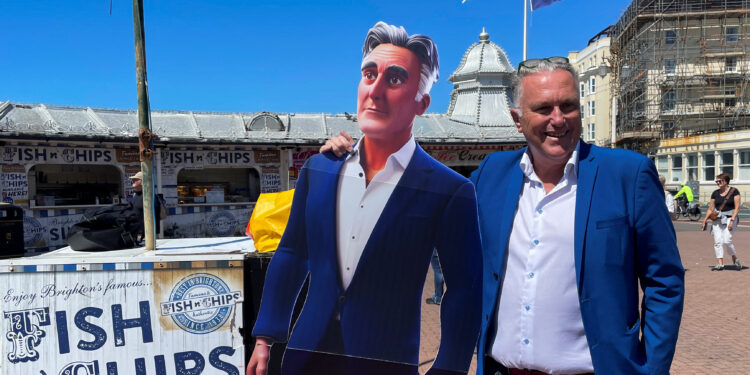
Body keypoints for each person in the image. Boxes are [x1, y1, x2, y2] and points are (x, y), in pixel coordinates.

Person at [325, 57, 686, 374]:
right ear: (517, 119)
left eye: (568, 106)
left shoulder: (628, 174)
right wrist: (354, 164)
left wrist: (652, 368)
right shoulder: (490, 175)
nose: (558, 120)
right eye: (544, 108)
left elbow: (665, 280)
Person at [247, 22, 482, 375]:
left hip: (385, 359)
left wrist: (448, 367)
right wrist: (266, 336)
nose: (375, 91)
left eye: (395, 79)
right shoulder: (320, 170)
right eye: (369, 75)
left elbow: (465, 289)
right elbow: (293, 253)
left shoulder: (449, 189)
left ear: (422, 103)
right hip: (306, 352)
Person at [701, 173, 742, 271]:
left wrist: (732, 220)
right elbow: (711, 209)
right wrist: (705, 220)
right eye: (716, 181)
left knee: (727, 240)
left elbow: (737, 208)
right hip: (717, 219)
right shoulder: (715, 193)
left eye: (720, 181)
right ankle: (720, 264)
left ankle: (734, 257)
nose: (717, 183)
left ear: (726, 181)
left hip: (729, 218)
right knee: (717, 242)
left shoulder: (734, 191)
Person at [128, 171, 164, 240]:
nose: (133, 180)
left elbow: (154, 215)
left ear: (142, 182)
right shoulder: (136, 195)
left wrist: (147, 233)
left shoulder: (149, 196)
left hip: (146, 235)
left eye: (136, 179)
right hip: (136, 233)